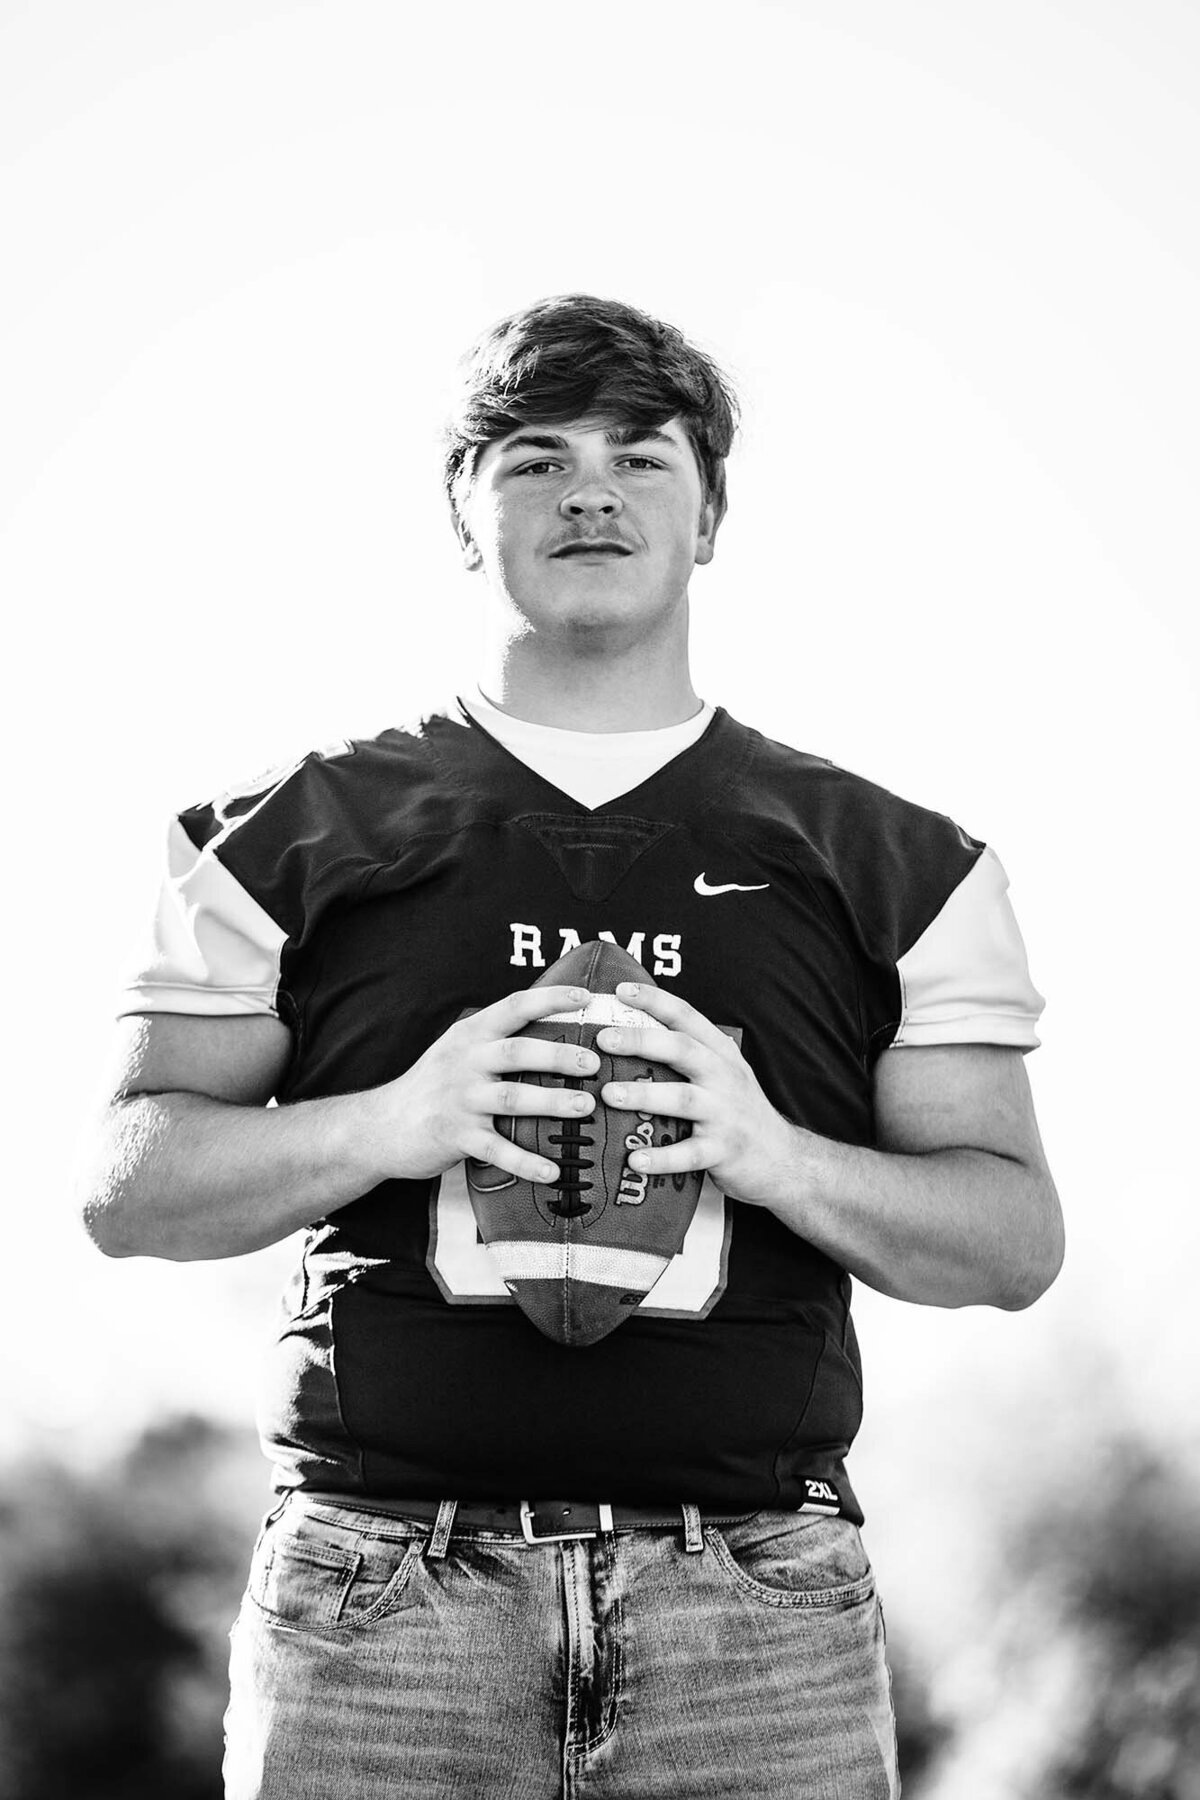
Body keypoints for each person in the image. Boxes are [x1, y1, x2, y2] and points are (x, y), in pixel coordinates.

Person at [81, 294, 1064, 1799]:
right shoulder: (282, 835)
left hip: (756, 1596)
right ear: (464, 515)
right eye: (534, 457)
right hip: (381, 1590)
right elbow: (128, 1190)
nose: (589, 488)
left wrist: (775, 1154)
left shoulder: (897, 859)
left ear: (711, 512)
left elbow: (1007, 1243)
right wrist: (390, 1122)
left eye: (641, 456)